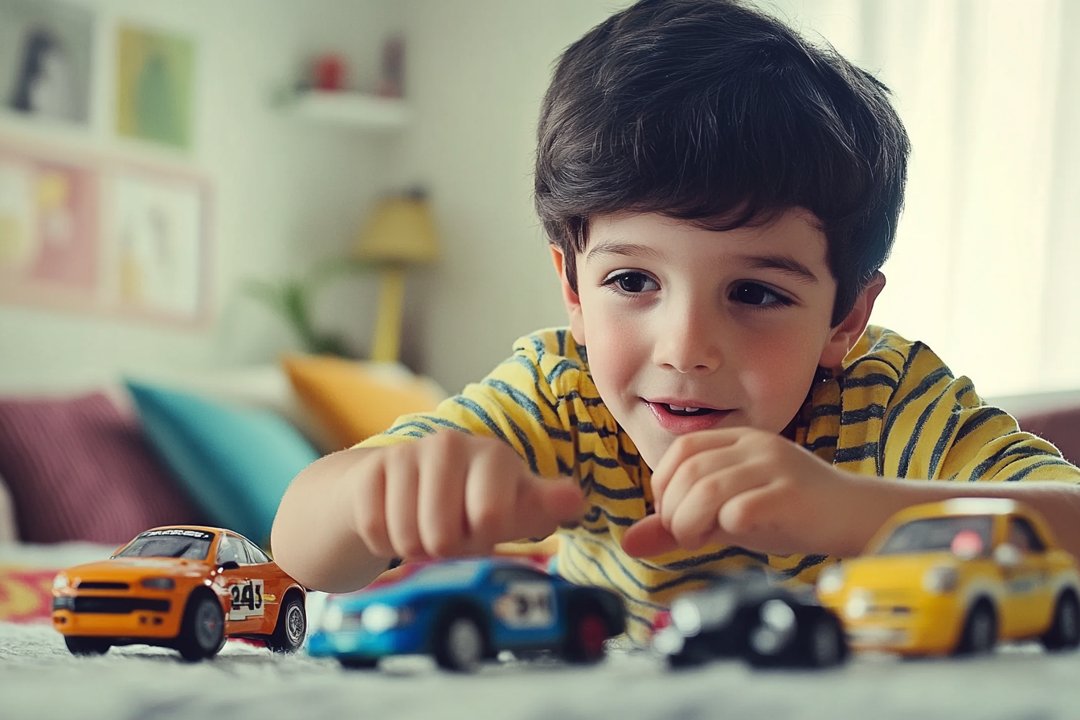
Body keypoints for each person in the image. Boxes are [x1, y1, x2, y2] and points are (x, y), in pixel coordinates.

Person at [271, 0, 1080, 642]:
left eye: (756, 294)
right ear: (575, 291)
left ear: (845, 317)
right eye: (632, 280)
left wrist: (853, 509)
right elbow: (299, 549)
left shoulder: (888, 402)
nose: (686, 348)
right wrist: (380, 494)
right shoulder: (562, 399)